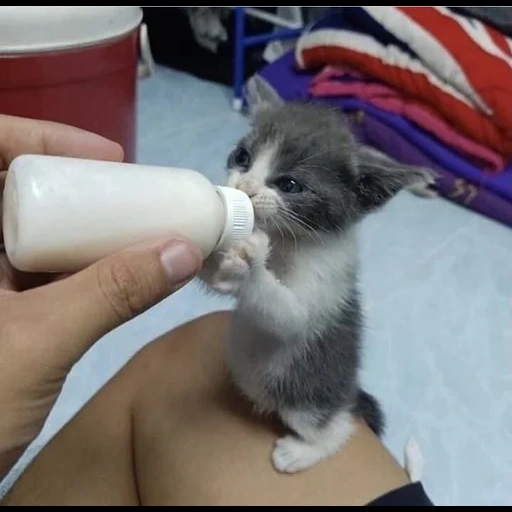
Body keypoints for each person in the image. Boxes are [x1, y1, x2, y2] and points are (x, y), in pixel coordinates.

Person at [0, 114, 433, 506]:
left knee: (305, 414)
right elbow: (224, 281)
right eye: (244, 159)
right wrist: (206, 258)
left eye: (290, 184)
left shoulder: (327, 260)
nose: (245, 185)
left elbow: (290, 322)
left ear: (359, 200)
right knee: (203, 337)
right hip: (253, 363)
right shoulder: (263, 221)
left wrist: (254, 275)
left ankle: (325, 436)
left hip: (297, 385)